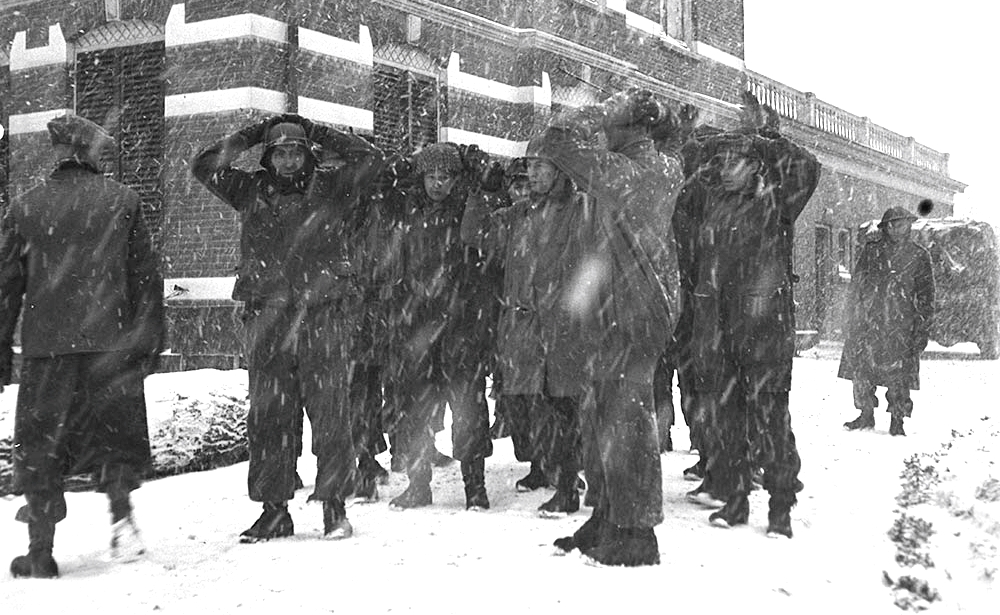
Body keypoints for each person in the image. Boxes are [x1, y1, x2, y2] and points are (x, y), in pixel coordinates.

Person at [191, 113, 382, 541]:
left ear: (308, 154)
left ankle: (334, 506)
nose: (289, 160)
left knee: (330, 413)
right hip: (268, 317)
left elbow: (371, 160)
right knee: (269, 417)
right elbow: (203, 164)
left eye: (296, 151)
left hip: (322, 315)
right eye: (279, 153)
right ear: (268, 158)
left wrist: (316, 129)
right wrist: (251, 133)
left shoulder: (332, 188)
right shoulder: (249, 191)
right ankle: (274, 510)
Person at [0, 113, 165, 577]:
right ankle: (122, 520)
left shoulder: (25, 207)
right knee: (115, 438)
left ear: (59, 152)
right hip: (110, 345)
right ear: (90, 152)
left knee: (42, 447)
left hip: (47, 351)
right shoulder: (123, 200)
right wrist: (147, 339)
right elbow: (145, 279)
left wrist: (1, 349)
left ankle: (40, 550)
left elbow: (6, 287)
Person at [537, 88, 683, 566]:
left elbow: (557, 139)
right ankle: (609, 516)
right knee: (601, 414)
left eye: (612, 121)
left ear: (629, 126)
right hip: (617, 306)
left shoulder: (636, 171)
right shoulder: (649, 167)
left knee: (627, 420)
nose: (601, 128)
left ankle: (638, 532)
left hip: (634, 310)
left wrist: (604, 108)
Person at [682, 96, 820, 537]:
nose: (725, 168)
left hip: (764, 332)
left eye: (734, 161)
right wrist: (704, 136)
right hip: (721, 329)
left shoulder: (777, 202)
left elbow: (808, 167)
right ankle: (736, 498)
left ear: (756, 165)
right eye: (722, 161)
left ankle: (780, 506)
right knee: (729, 421)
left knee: (772, 422)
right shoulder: (713, 202)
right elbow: (690, 166)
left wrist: (766, 137)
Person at [461, 145, 586, 517]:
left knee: (564, 407)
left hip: (562, 325)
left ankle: (567, 483)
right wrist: (482, 192)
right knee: (527, 406)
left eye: (542, 166)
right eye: (531, 166)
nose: (533, 174)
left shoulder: (577, 210)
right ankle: (545, 467)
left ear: (559, 170)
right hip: (522, 327)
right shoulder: (520, 213)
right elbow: (476, 234)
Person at [381, 142, 494, 511]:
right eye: (430, 175)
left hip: (461, 323)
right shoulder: (408, 208)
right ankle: (418, 485)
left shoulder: (469, 208)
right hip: (417, 324)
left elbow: (492, 184)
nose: (437, 183)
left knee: (468, 409)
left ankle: (474, 486)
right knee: (415, 409)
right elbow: (382, 182)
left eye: (445, 176)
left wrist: (474, 165)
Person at [839, 206, 935, 436]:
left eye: (902, 224)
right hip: (869, 321)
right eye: (893, 225)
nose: (897, 229)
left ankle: (897, 419)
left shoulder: (919, 255)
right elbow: (856, 286)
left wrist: (922, 327)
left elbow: (926, 295)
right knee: (862, 368)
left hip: (901, 324)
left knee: (899, 374)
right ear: (886, 227)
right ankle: (866, 414)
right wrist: (850, 317)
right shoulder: (871, 251)